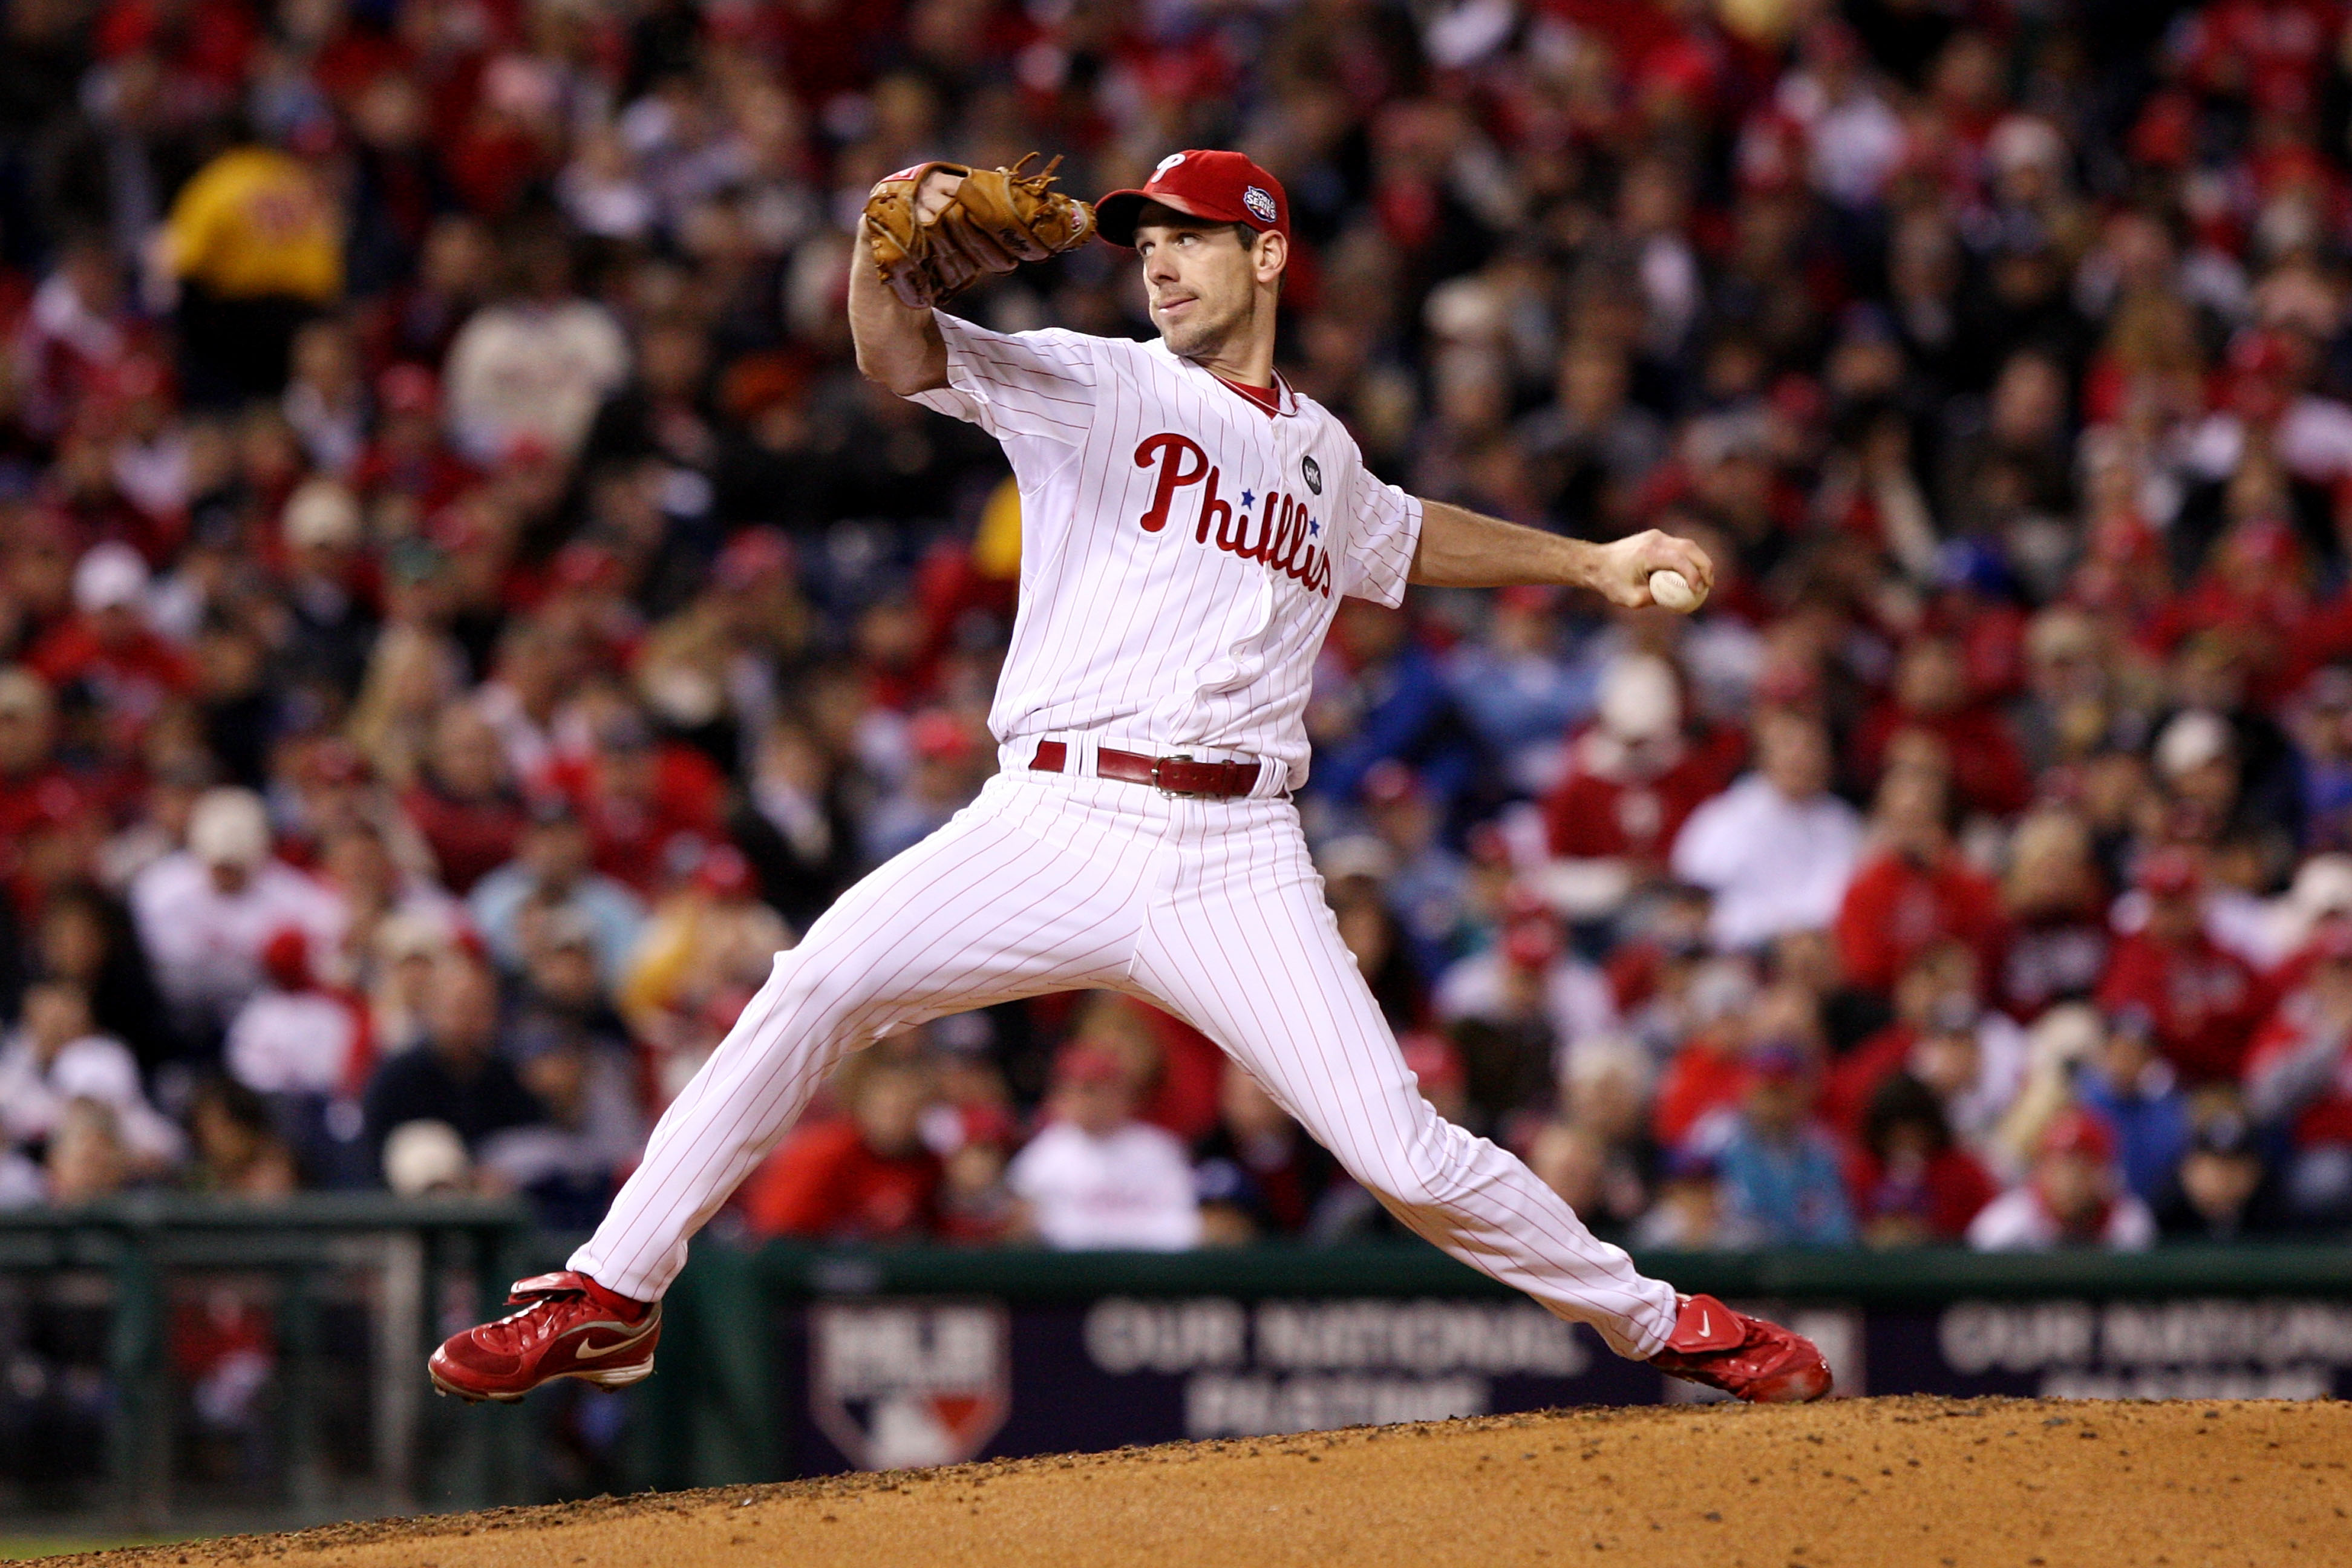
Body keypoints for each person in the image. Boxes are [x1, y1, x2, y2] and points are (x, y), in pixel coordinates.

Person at [430, 148, 1827, 1407]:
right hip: (1052, 815)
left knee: (1403, 1157)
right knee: (815, 982)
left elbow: (1402, 535)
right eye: (1143, 238)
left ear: (1267, 256)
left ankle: (1664, 1324)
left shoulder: (1319, 449)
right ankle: (609, 1289)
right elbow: (897, 360)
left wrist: (1586, 562)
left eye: (1191, 236)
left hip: (1235, 855)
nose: (1155, 259)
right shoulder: (1094, 382)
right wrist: (878, 249)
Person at [1005, 1042, 1202, 1250]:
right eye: (1075, 1089)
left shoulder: (1160, 1149)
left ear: (1122, 1093)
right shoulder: (1045, 1153)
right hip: (1072, 1274)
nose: (1084, 1100)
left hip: (1152, 1271)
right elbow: (1020, 1227)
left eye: (1093, 1090)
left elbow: (1188, 1222)